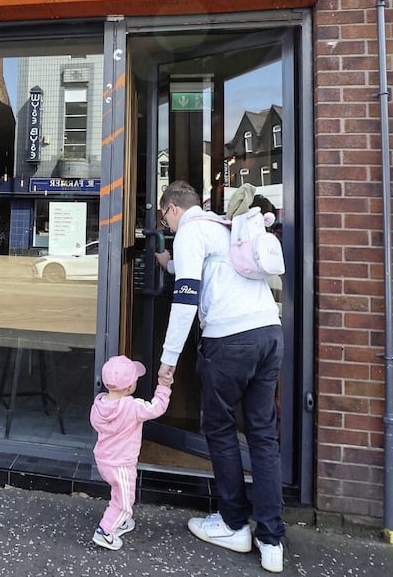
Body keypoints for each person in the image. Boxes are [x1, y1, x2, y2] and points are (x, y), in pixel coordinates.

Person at [155, 180, 285, 573]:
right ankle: (271, 539)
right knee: (263, 435)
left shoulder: (190, 232)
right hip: (268, 333)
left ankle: (232, 524)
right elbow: (211, 267)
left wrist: (168, 360)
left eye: (165, 218)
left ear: (173, 209)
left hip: (229, 342)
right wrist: (169, 262)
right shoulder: (223, 226)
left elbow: (186, 297)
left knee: (220, 428)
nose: (167, 225)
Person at [89, 354, 172, 551]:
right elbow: (156, 408)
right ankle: (105, 531)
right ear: (129, 387)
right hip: (122, 464)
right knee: (125, 501)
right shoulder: (133, 407)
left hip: (103, 460)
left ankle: (122, 522)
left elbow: (96, 424)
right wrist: (164, 387)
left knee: (117, 492)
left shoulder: (99, 405)